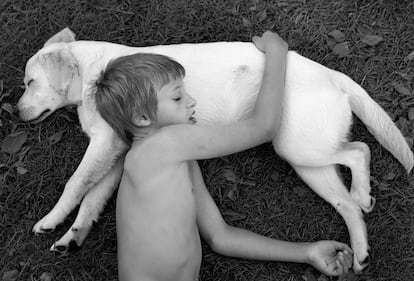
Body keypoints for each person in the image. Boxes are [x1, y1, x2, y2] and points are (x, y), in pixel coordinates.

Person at [94, 31, 353, 281]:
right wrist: (277, 53)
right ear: (142, 118)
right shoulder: (163, 144)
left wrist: (307, 252)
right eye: (177, 97)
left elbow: (220, 236)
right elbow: (263, 127)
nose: (192, 101)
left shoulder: (176, 161)